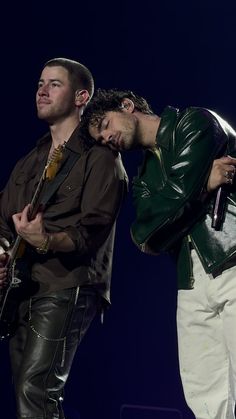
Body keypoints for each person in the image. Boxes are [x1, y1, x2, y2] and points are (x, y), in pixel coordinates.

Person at [81, 88, 236, 419]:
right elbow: (142, 234)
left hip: (231, 257)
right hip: (191, 280)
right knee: (204, 391)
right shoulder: (142, 179)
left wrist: (181, 197)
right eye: (101, 138)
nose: (107, 138)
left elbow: (176, 197)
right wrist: (204, 184)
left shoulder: (195, 122)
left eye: (106, 125)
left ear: (127, 106)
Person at [0, 62, 128, 419]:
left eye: (54, 84)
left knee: (36, 390)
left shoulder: (101, 158)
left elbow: (92, 233)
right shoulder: (30, 161)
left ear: (80, 97)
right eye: (40, 83)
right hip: (22, 286)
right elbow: (2, 218)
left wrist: (45, 239)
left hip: (66, 285)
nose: (42, 90)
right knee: (27, 395)